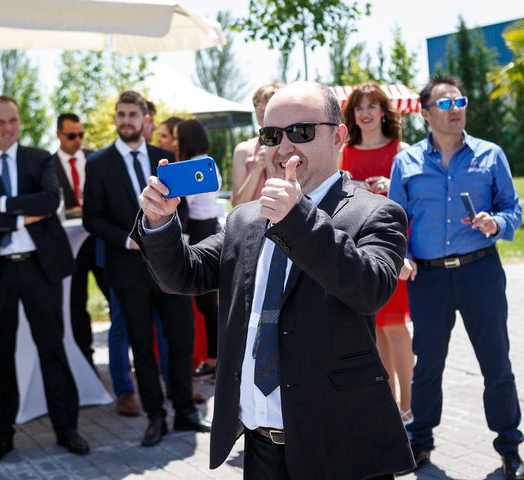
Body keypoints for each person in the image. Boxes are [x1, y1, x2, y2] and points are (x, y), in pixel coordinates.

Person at [135, 81, 415, 479]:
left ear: (337, 137)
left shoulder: (376, 213)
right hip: (260, 447)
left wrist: (297, 219)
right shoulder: (246, 218)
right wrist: (160, 223)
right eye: (271, 135)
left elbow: (370, 289)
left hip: (340, 445)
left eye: (301, 132)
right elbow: (184, 274)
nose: (284, 147)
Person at [389, 75, 524, 479]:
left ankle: (509, 447)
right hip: (428, 280)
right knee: (427, 365)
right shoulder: (406, 162)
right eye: (445, 104)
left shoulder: (490, 155)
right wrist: (403, 256)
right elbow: (395, 223)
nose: (456, 109)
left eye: (460, 101)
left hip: (481, 272)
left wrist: (495, 222)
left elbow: (513, 210)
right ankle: (420, 442)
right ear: (426, 112)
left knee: (495, 362)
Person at [0, 96, 89, 464]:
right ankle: (1, 437)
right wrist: (20, 216)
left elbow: (49, 201)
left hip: (38, 267)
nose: (8, 128)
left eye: (13, 120)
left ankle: (67, 429)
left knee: (53, 348)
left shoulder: (39, 158)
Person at [83, 90, 209, 447]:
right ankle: (156, 417)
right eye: (120, 114)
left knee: (182, 337)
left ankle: (185, 411)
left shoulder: (164, 159)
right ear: (116, 119)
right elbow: (93, 218)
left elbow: (180, 209)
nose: (126, 120)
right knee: (142, 345)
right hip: (127, 270)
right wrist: (129, 239)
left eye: (132, 114)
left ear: (144, 119)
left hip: (170, 265)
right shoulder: (98, 163)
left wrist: (165, 232)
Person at [339, 82, 414, 424]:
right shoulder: (344, 153)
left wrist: (391, 185)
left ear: (384, 111)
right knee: (377, 327)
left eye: (372, 106)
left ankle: (408, 406)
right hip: (360, 246)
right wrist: (353, 187)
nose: (366, 113)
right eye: (359, 107)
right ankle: (388, 404)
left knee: (396, 326)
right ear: (352, 115)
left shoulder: (403, 150)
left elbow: (414, 202)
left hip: (393, 245)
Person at [52, 113, 109, 367]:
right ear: (58, 135)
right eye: (71, 135)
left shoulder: (95, 159)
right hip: (68, 244)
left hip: (98, 239)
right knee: (76, 303)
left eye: (80, 135)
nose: (77, 141)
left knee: (113, 294)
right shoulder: (49, 165)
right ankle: (85, 357)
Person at [174, 119, 221, 378]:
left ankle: (214, 359)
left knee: (205, 303)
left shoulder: (193, 167)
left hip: (197, 232)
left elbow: (183, 201)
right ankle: (215, 358)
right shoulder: (208, 162)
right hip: (209, 227)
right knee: (208, 302)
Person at [231, 82, 283, 206]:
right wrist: (256, 170)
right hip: (252, 223)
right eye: (257, 103)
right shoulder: (243, 150)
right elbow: (237, 205)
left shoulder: (294, 146)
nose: (261, 108)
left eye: (268, 101)